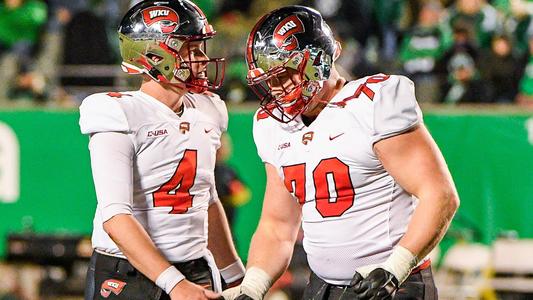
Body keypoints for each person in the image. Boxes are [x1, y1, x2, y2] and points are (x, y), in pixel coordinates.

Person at [223, 6, 459, 300]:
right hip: (321, 287)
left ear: (317, 61)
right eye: (270, 81)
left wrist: (395, 268)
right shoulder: (271, 125)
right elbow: (277, 224)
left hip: (391, 284)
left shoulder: (372, 103)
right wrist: (253, 286)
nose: (278, 89)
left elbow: (440, 194)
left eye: (285, 75)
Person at [78, 1, 244, 299]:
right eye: (191, 50)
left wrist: (235, 276)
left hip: (195, 267)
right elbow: (115, 216)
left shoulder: (208, 110)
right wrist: (175, 284)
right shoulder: (117, 111)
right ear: (154, 55)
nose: (203, 59)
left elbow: (207, 201)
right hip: (127, 273)